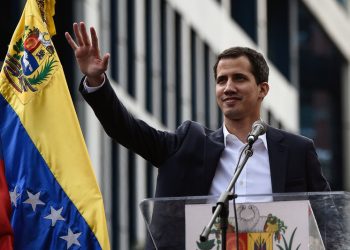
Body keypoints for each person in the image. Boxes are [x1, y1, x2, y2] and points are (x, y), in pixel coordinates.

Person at [65, 22, 330, 200]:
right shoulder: (187, 144)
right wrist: (96, 82)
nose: (228, 87)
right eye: (221, 80)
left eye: (239, 78)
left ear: (262, 89)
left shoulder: (297, 151)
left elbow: (327, 222)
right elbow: (125, 129)